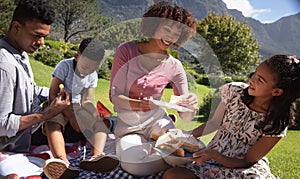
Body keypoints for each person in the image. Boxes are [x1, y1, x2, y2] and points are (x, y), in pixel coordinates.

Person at [162, 54, 300, 179]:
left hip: (242, 168)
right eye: (255, 73)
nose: (252, 80)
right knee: (172, 175)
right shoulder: (234, 92)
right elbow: (214, 123)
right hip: (210, 159)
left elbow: (247, 161)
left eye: (260, 80)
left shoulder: (278, 121)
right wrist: (184, 135)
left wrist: (215, 155)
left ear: (276, 91)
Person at [109, 1, 198, 176]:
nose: (170, 37)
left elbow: (185, 115)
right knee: (133, 166)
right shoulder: (126, 50)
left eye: (176, 33)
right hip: (129, 126)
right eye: (167, 29)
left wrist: (191, 106)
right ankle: (165, 160)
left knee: (181, 157)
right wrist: (139, 104)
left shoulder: (175, 66)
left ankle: (168, 157)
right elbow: (115, 96)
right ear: (154, 26)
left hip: (158, 122)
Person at [0, 0, 71, 177]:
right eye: (37, 35)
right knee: (56, 117)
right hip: (11, 145)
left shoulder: (19, 53)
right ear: (16, 27)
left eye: (44, 36)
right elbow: (2, 125)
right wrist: (47, 114)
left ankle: (84, 157)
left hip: (27, 132)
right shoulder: (4, 66)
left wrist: (54, 93)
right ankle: (64, 162)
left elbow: (29, 90)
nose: (41, 42)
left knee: (75, 111)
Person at [42, 38, 120, 179]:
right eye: (85, 67)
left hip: (77, 106)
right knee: (53, 122)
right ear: (77, 57)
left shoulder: (92, 75)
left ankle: (95, 157)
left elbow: (87, 100)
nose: (87, 71)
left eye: (92, 68)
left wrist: (93, 113)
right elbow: (52, 93)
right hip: (58, 103)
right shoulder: (64, 66)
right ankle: (62, 161)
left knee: (99, 123)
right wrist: (69, 114)